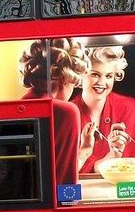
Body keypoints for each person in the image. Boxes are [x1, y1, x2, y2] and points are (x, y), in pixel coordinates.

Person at [19, 38, 89, 187]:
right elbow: (64, 187)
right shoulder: (65, 112)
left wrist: (84, 151)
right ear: (65, 78)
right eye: (73, 85)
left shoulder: (21, 105)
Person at [73, 45, 135, 174]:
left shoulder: (128, 107)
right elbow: (71, 168)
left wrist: (114, 154)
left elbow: (126, 162)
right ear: (81, 75)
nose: (102, 82)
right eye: (95, 75)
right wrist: (110, 158)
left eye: (109, 76)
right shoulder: (68, 113)